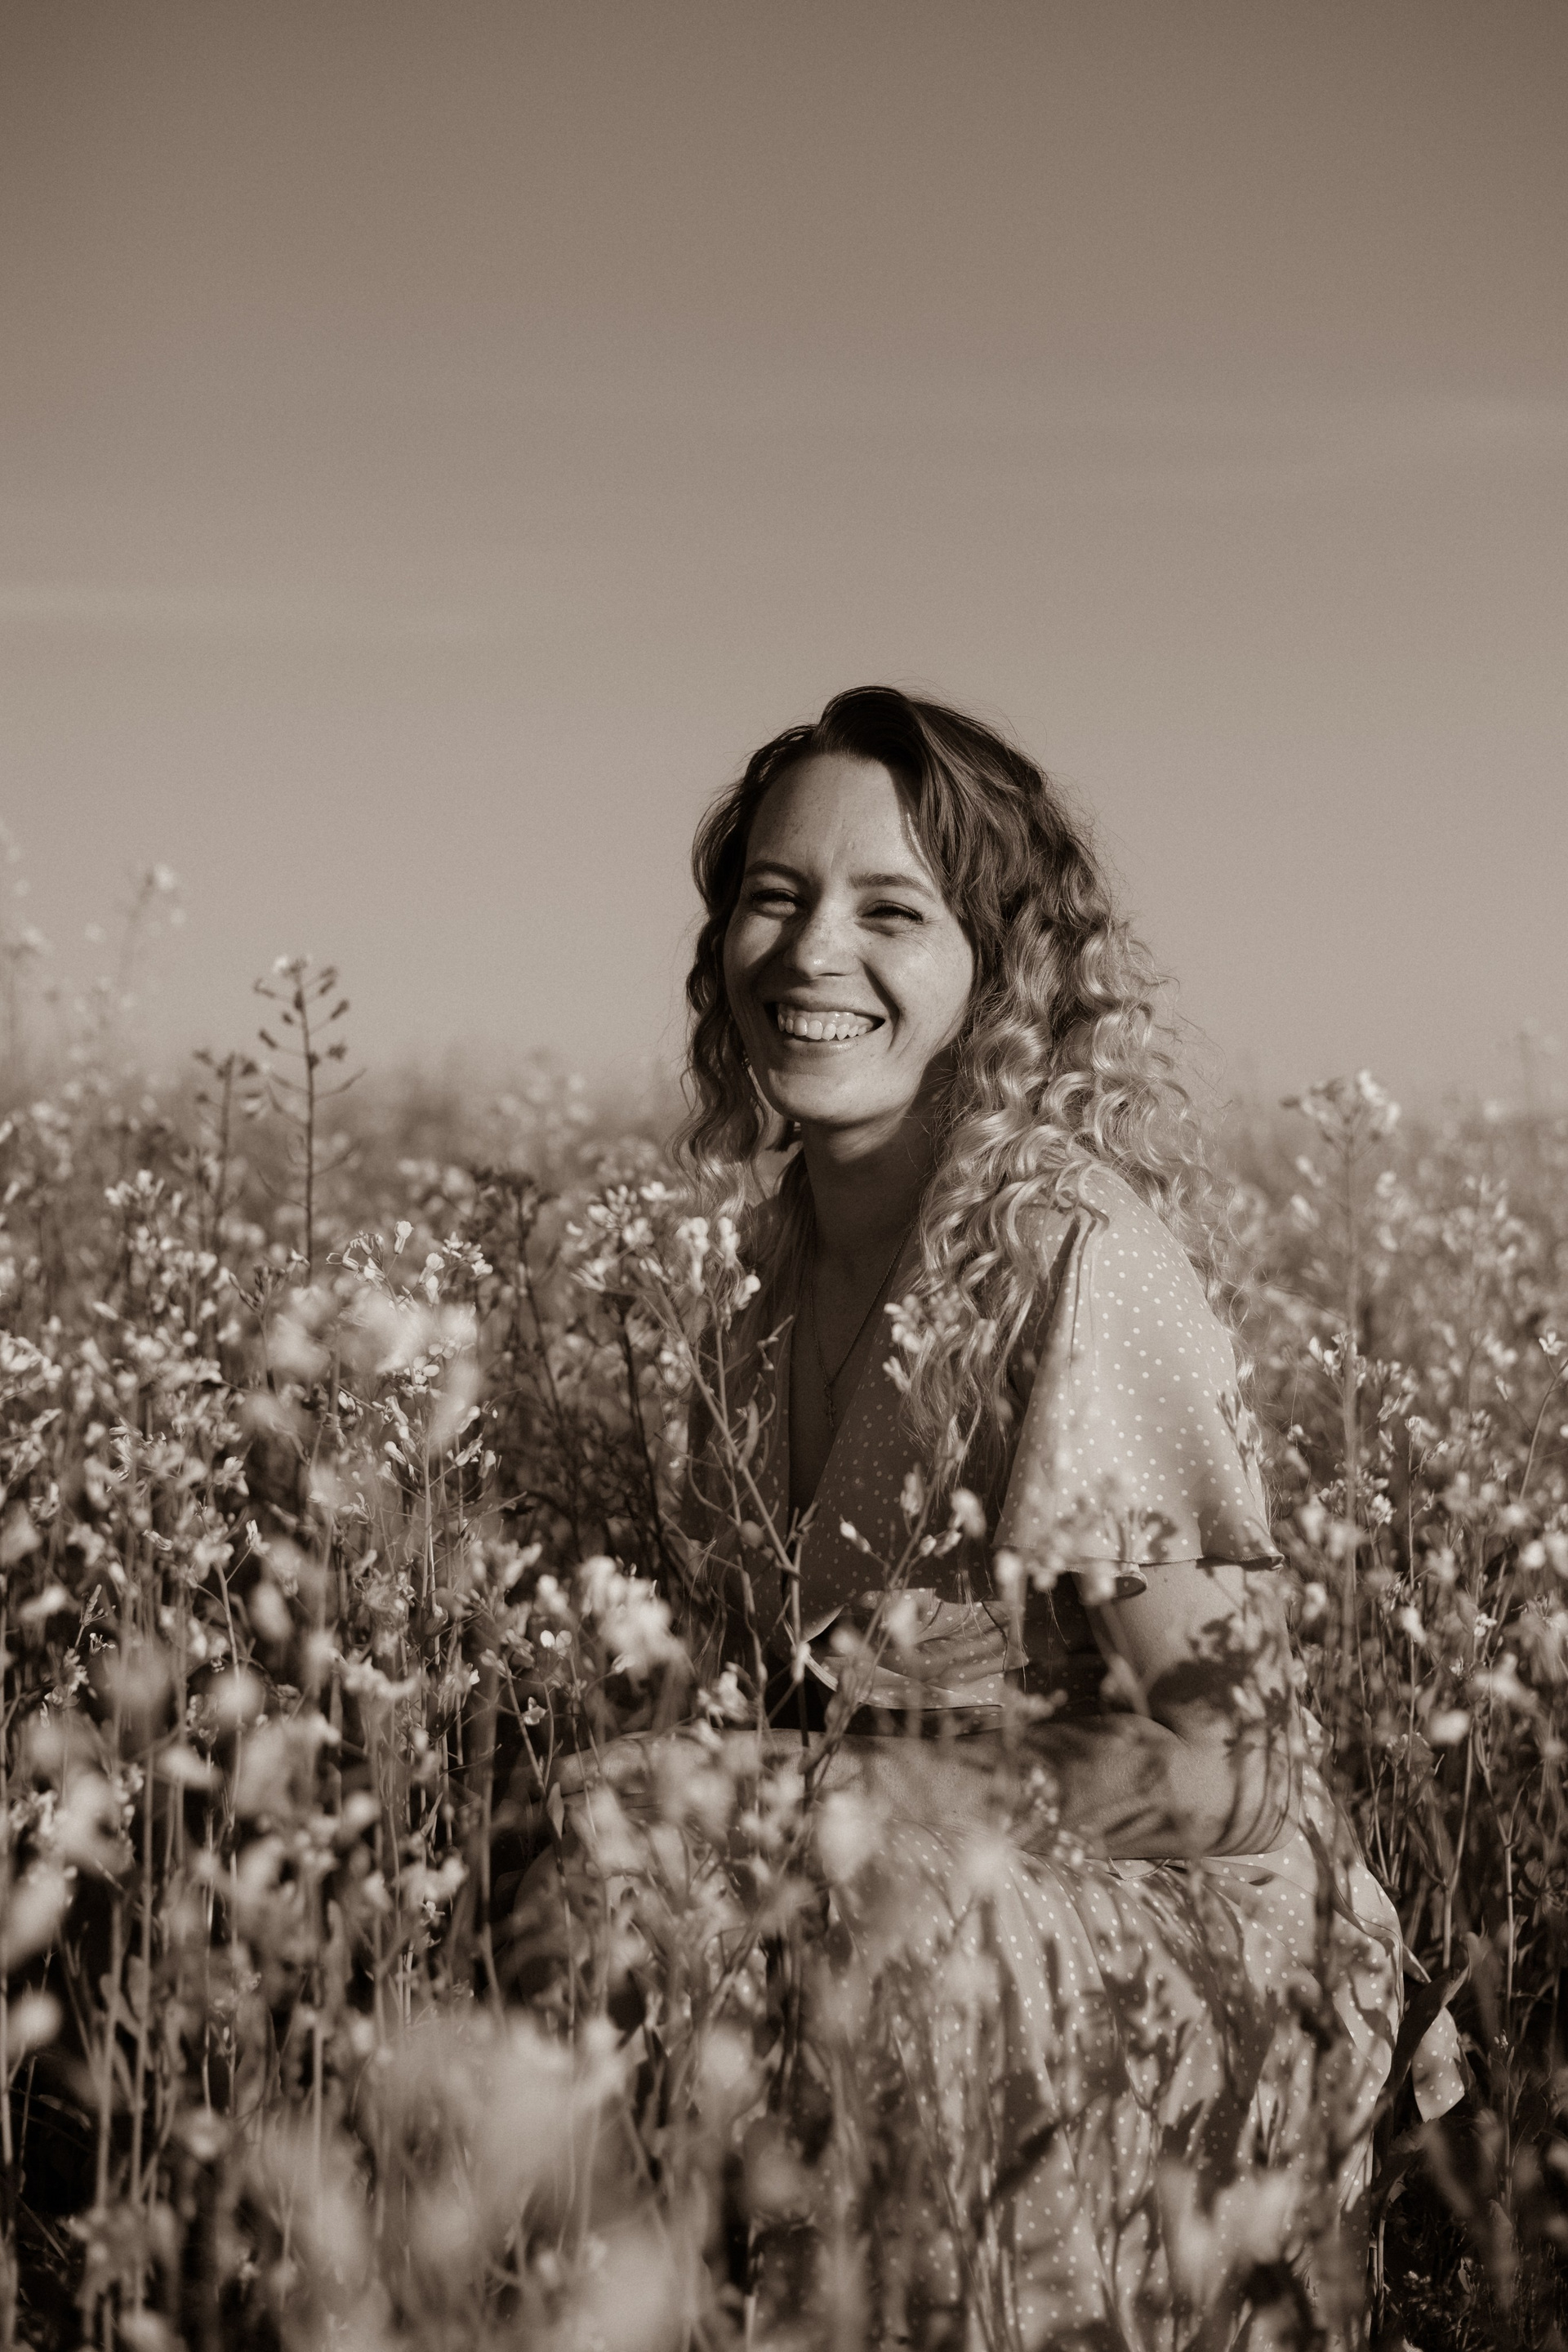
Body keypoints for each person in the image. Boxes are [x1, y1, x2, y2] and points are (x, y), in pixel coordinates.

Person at [675, 686, 1401, 2350]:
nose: (811, 953)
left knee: (896, 1906)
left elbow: (1242, 1778)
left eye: (891, 912)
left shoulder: (1078, 1255)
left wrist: (858, 1796)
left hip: (1165, 1931)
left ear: (997, 972)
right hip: (881, 1877)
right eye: (775, 896)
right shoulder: (756, 1268)